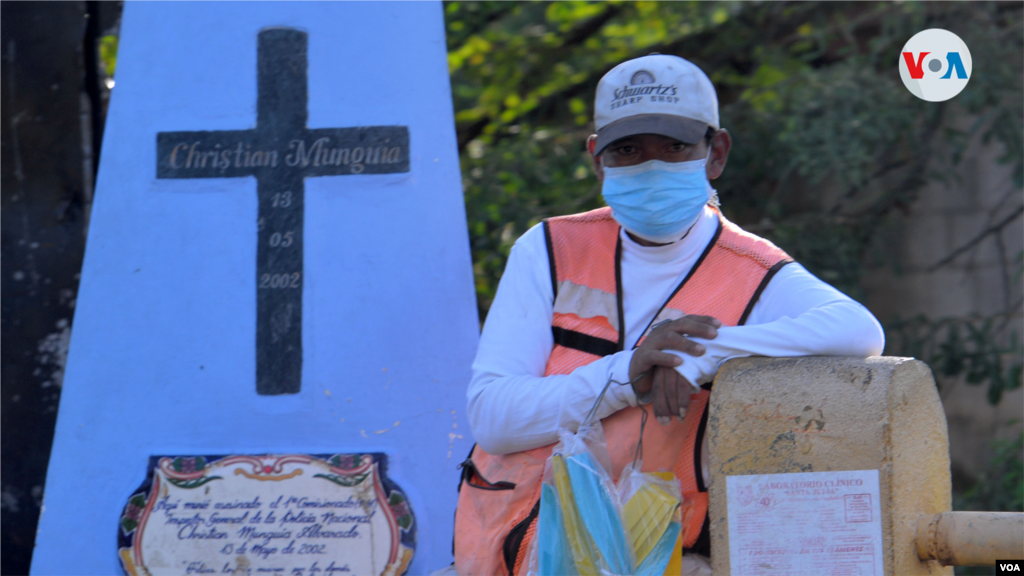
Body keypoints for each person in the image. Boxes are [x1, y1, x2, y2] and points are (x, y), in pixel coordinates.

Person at [449, 54, 885, 576]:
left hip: (648, 559)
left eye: (675, 147)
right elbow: (494, 418)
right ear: (597, 159)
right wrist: (627, 376)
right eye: (627, 150)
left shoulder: (755, 271)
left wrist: (698, 356)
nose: (651, 167)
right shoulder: (548, 247)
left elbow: (860, 330)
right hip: (508, 556)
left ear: (715, 153)